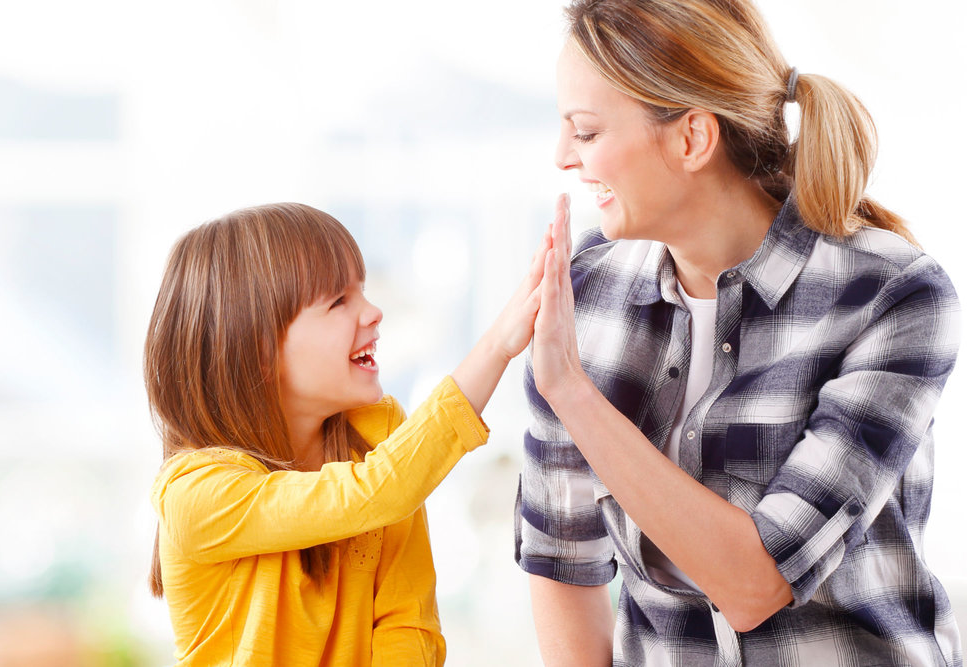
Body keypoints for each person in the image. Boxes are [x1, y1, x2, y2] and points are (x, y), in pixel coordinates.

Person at [515, 1, 963, 665]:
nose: (562, 157)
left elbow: (757, 583)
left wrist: (574, 395)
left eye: (585, 132)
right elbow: (563, 563)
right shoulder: (584, 293)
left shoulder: (891, 294)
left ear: (692, 138)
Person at [145, 202, 547, 666]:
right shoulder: (194, 494)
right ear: (256, 348)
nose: (373, 312)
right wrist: (496, 347)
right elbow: (376, 492)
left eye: (363, 291)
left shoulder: (377, 433)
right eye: (338, 301)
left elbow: (407, 622)